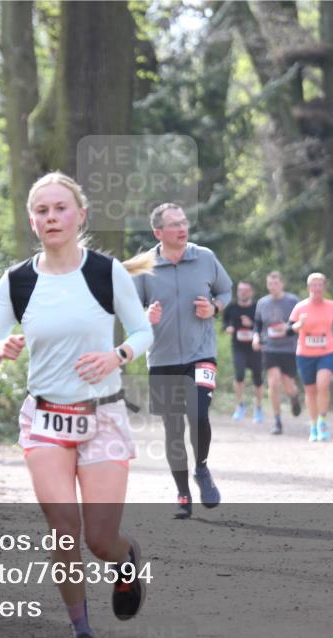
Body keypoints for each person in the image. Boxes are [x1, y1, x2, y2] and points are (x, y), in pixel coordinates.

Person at [0, 173, 154, 638]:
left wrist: (116, 355)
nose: (51, 218)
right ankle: (82, 636)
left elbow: (142, 332)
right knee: (63, 529)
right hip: (45, 419)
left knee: (99, 539)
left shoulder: (105, 272)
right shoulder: (18, 281)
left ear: (80, 215)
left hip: (102, 416)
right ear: (32, 221)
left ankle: (126, 558)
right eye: (42, 211)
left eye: (60, 208)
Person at [133, 203, 232, 519]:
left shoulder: (205, 257)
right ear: (158, 232)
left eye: (184, 221)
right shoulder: (143, 266)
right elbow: (128, 309)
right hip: (162, 359)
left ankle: (201, 468)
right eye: (174, 224)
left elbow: (226, 290)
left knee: (199, 414)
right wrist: (145, 316)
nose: (182, 227)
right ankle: (182, 492)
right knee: (173, 429)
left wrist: (215, 308)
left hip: (201, 353)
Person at [289, 272, 333, 442]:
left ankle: (323, 421)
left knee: (323, 384)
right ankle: (313, 426)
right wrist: (300, 324)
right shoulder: (300, 307)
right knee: (310, 390)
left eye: (320, 285)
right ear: (309, 288)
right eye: (314, 285)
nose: (317, 288)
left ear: (324, 287)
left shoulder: (331, 305)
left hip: (327, 351)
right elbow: (290, 328)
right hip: (305, 353)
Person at [252, 271, 302, 435]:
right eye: (270, 283)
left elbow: (299, 324)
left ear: (282, 284)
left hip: (288, 348)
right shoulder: (262, 303)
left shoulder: (292, 301)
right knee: (273, 383)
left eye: (276, 283)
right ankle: (277, 421)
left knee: (288, 387)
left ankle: (294, 397)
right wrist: (255, 338)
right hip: (270, 348)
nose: (272, 286)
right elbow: (257, 326)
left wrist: (286, 328)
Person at [223, 281, 264, 423]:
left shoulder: (258, 308)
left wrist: (251, 325)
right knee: (239, 375)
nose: (243, 293)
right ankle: (240, 405)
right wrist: (228, 328)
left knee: (257, 379)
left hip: (255, 348)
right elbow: (225, 322)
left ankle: (258, 408)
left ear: (251, 292)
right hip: (238, 347)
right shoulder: (231, 308)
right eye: (240, 290)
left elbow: (263, 326)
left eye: (246, 290)